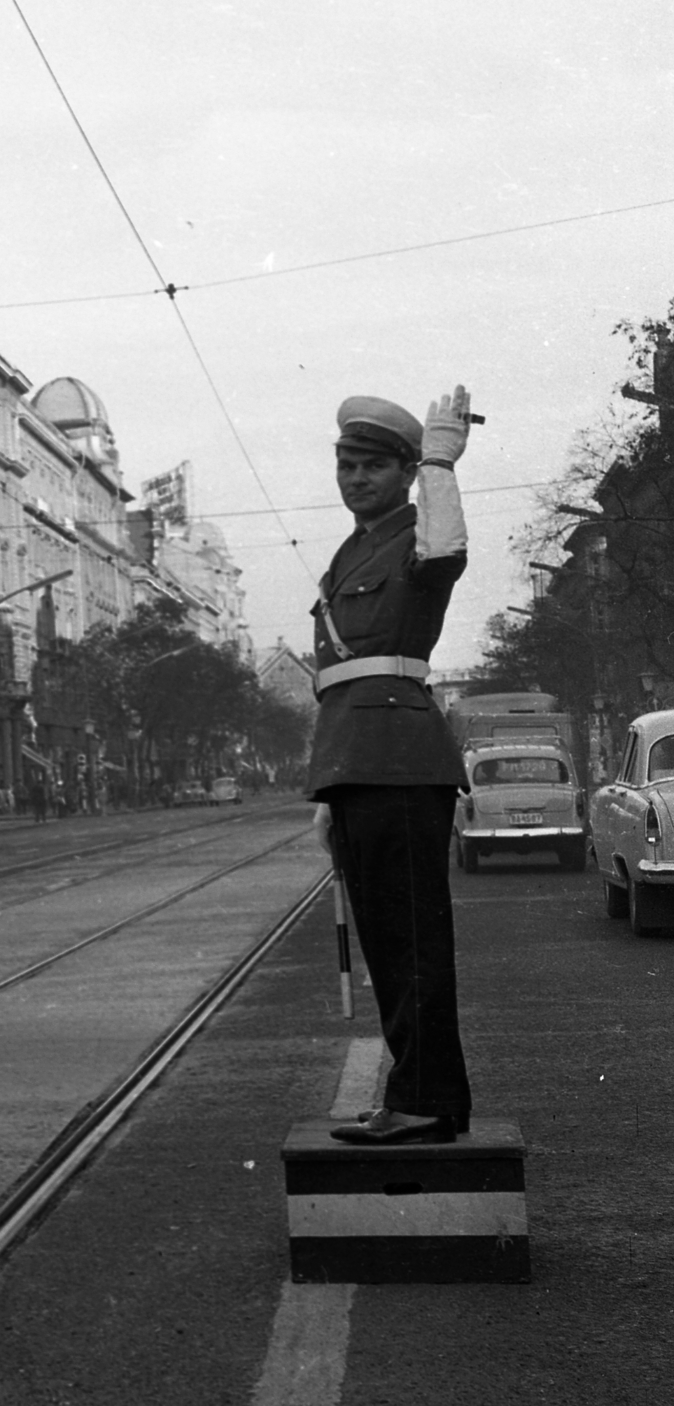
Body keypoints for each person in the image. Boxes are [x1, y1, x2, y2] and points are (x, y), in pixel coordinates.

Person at [314, 390, 475, 1147]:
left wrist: (442, 464)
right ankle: (412, 1091)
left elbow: (447, 553)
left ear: (405, 471)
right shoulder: (354, 549)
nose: (354, 477)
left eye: (372, 465)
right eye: (346, 464)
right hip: (359, 764)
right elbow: (337, 676)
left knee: (410, 941)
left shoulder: (418, 531)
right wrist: (329, 783)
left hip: (402, 762)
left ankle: (429, 1099)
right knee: (387, 944)